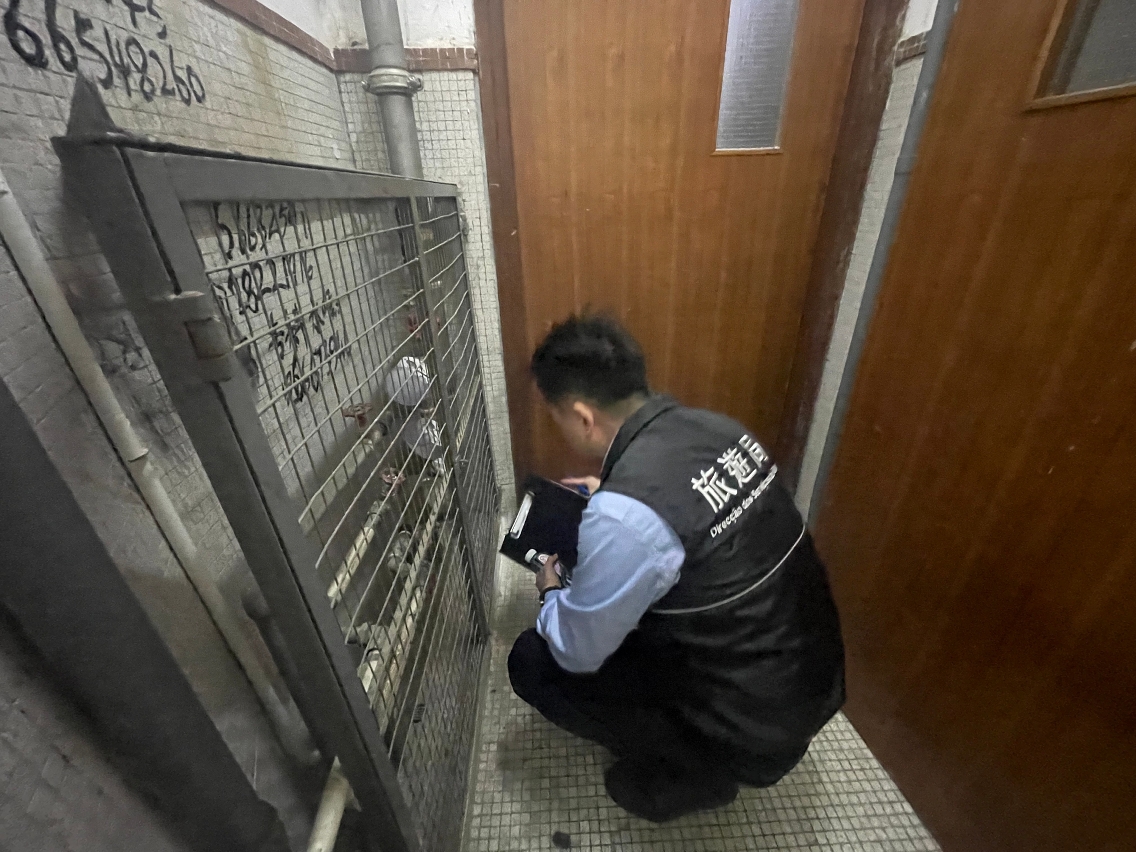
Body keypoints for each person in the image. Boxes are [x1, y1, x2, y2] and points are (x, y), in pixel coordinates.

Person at [508, 314, 845, 823]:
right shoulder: (717, 429)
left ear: (581, 417)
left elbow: (577, 652)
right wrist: (614, 496)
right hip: (809, 685)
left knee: (533, 659)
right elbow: (692, 519)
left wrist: (551, 591)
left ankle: (692, 774)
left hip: (748, 729)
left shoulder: (625, 514)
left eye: (556, 418)